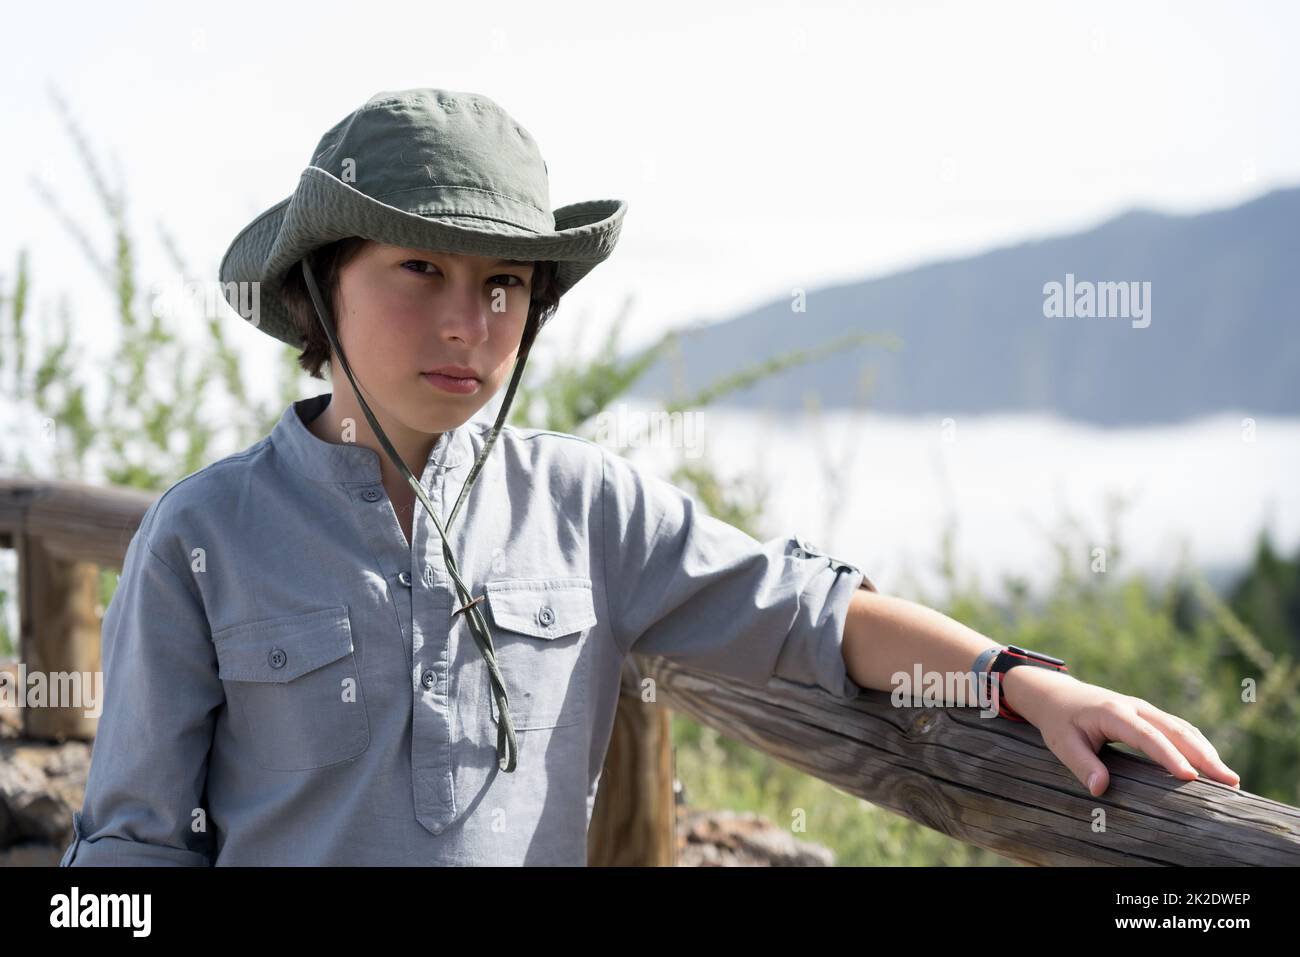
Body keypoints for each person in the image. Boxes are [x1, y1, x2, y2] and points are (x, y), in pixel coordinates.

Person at [60, 87, 1239, 867]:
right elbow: (128, 848)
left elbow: (813, 617)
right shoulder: (203, 533)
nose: (468, 321)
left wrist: (1017, 681)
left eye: (505, 285)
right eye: (419, 267)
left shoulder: (587, 510)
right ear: (319, 288)